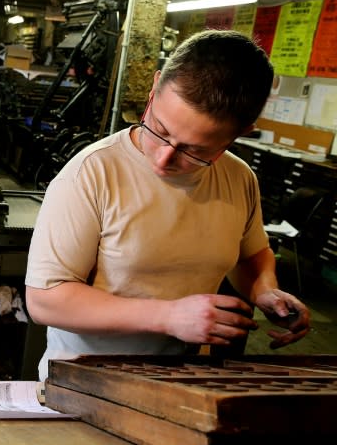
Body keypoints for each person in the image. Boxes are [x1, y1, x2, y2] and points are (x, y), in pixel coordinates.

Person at [25, 30, 311, 381]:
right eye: (158, 128)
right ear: (155, 85)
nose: (163, 160)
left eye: (195, 151)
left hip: (184, 376)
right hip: (87, 378)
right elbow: (45, 299)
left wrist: (265, 290)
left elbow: (250, 254)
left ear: (242, 133)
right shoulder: (92, 173)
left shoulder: (239, 179)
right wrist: (169, 317)